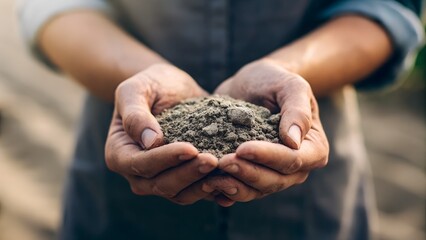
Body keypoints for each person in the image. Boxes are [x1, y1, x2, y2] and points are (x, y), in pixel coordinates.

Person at [18, 0, 423, 239]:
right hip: (122, 203)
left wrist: (286, 71)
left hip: (307, 209)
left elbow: (386, 9)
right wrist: (139, 74)